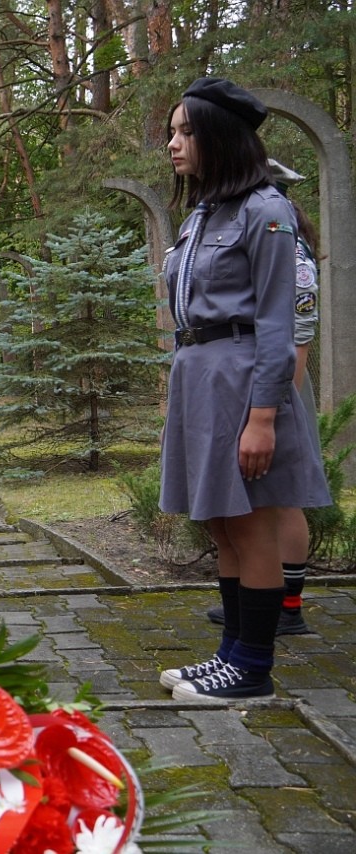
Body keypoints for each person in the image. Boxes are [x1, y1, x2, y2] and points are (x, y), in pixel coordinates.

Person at [156, 79, 330, 702]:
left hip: (242, 379)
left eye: (186, 131)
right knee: (223, 526)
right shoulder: (205, 213)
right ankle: (230, 653)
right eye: (172, 132)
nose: (173, 144)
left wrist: (263, 417)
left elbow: (280, 323)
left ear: (221, 137)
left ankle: (253, 669)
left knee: (252, 526)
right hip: (202, 376)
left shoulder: (266, 211)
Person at [208, 158, 321, 636]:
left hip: (281, 381)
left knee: (282, 498)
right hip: (255, 380)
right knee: (260, 501)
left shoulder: (289, 248)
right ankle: (258, 604)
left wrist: (276, 405)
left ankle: (287, 607)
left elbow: (299, 329)